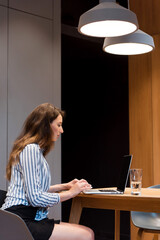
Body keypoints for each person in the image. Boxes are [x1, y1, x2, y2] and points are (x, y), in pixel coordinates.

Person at [1, 103, 94, 240]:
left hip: (30, 217)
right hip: (20, 219)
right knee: (86, 235)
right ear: (45, 125)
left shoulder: (35, 150)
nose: (61, 130)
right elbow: (35, 198)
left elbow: (34, 189)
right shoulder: (31, 150)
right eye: (59, 125)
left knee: (87, 232)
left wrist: (65, 186)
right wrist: (70, 193)